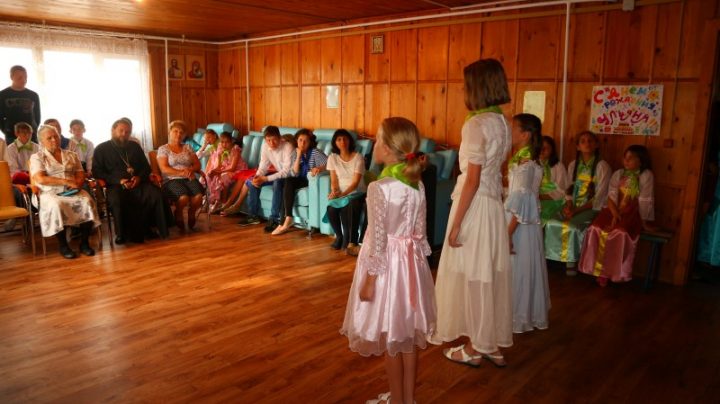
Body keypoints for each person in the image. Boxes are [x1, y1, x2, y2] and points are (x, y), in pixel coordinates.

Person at [340, 117, 436, 404]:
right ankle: (406, 398)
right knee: (407, 338)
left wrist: (369, 281)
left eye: (378, 139)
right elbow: (420, 234)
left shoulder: (380, 187)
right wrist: (417, 268)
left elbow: (378, 241)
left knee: (392, 338)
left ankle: (396, 400)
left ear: (387, 147)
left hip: (388, 272)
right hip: (411, 267)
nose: (374, 144)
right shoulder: (416, 184)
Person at [430, 58, 513, 368]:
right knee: (485, 273)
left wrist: (456, 224)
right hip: (492, 206)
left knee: (474, 275)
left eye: (466, 84)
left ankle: (476, 346)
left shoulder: (476, 124)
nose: (463, 89)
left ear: (477, 87)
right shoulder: (502, 121)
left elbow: (473, 180)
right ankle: (488, 341)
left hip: (475, 206)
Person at [578, 145, 655, 286]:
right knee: (595, 228)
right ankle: (599, 270)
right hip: (612, 209)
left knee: (620, 232)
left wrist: (644, 222)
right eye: (625, 157)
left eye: (631, 158)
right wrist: (614, 213)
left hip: (632, 213)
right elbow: (611, 195)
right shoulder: (618, 173)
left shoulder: (646, 175)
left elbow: (645, 200)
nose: (626, 160)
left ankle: (613, 272)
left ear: (641, 161)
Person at [544, 131, 611, 276]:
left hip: (592, 208)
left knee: (572, 226)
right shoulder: (573, 165)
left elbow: (599, 197)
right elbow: (569, 190)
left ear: (596, 145)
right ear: (578, 147)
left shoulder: (602, 166)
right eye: (583, 141)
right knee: (551, 222)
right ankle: (552, 259)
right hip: (573, 206)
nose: (587, 144)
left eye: (590, 141)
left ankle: (572, 263)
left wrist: (576, 211)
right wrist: (569, 205)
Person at [507, 113, 550, 333]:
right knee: (522, 268)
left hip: (519, 224)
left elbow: (522, 199)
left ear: (525, 135)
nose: (509, 131)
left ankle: (516, 315)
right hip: (524, 222)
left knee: (518, 268)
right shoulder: (523, 160)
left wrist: (508, 233)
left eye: (513, 128)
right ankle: (521, 312)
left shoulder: (526, 164)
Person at [93, 118, 169, 244]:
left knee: (155, 194)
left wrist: (139, 178)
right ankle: (121, 234)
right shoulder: (101, 149)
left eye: (127, 132)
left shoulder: (135, 146)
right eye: (121, 130)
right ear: (113, 130)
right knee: (117, 200)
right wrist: (119, 180)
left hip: (138, 183)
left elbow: (146, 167)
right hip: (116, 185)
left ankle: (155, 228)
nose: (124, 134)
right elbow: (97, 172)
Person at [29, 125, 100, 258]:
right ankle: (63, 246)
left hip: (72, 189)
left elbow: (80, 174)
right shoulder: (37, 157)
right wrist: (66, 182)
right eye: (49, 138)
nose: (54, 140)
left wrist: (77, 185)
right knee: (57, 204)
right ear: (41, 141)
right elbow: (40, 178)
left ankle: (84, 243)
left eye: (56, 136)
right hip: (49, 191)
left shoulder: (71, 155)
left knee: (87, 201)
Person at [237, 126, 293, 232]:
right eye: (268, 140)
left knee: (277, 183)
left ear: (280, 137)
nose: (271, 143)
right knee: (251, 181)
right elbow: (263, 165)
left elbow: (286, 172)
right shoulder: (265, 146)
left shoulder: (287, 147)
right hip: (278, 174)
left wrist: (266, 178)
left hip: (290, 177)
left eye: (274, 139)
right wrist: (257, 177)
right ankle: (253, 216)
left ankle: (274, 219)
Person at [272, 129, 327, 235]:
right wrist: (298, 155)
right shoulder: (295, 152)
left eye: (306, 141)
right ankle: (284, 221)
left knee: (288, 182)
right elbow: (295, 172)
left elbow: (330, 163)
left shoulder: (315, 152)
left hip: (311, 180)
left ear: (310, 142)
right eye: (300, 140)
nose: (302, 143)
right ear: (296, 141)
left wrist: (320, 168)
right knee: (287, 183)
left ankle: (285, 220)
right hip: (301, 179)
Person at [157, 120, 204, 231]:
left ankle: (191, 212)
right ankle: (178, 212)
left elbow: (197, 164)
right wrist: (181, 172)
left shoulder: (188, 147)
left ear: (184, 135)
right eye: (175, 131)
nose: (178, 134)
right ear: (169, 132)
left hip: (189, 177)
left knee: (198, 197)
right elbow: (164, 168)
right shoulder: (163, 149)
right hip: (171, 180)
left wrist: (190, 169)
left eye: (181, 132)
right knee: (183, 198)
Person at [325, 129, 366, 255]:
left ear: (350, 141)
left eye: (345, 139)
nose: (342, 142)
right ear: (335, 142)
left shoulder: (358, 157)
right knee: (331, 208)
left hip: (357, 192)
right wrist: (334, 192)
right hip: (341, 193)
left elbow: (355, 183)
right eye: (339, 139)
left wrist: (342, 195)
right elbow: (334, 180)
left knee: (349, 204)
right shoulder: (332, 158)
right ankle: (339, 236)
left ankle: (350, 241)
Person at [203, 131, 247, 212]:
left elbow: (233, 168)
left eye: (227, 142)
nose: (224, 144)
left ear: (231, 142)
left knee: (223, 177)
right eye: (222, 142)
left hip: (239, 170)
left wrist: (219, 172)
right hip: (226, 168)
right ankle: (214, 201)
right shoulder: (220, 148)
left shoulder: (235, 150)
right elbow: (219, 165)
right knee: (212, 176)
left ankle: (223, 202)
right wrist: (213, 171)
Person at [0, 65, 41, 144]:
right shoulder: (2, 95)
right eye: (20, 77)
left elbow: (37, 116)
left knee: (34, 152)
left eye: (25, 77)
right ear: (12, 77)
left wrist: (33, 129)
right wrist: (6, 131)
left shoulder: (33, 95)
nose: (24, 80)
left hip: (31, 134)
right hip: (11, 135)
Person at [539, 136, 568, 225]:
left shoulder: (558, 166)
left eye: (546, 148)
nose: (542, 150)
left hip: (553, 200)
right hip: (536, 198)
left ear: (552, 150)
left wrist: (540, 197)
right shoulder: (532, 165)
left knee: (542, 213)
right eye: (540, 147)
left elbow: (561, 191)